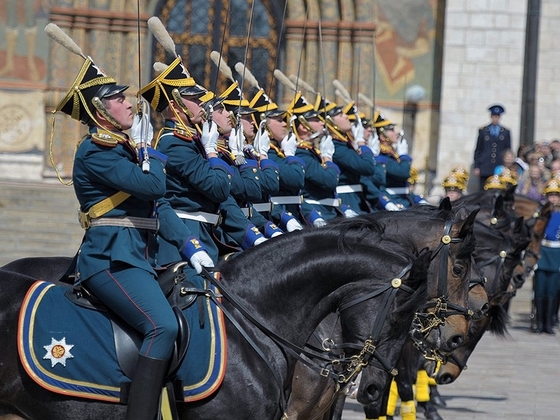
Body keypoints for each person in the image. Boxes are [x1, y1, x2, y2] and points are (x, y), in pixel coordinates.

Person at [54, 56, 214, 419]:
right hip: (111, 260)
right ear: (99, 110)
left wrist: (192, 248)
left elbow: (159, 205)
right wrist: (151, 151)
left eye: (126, 97)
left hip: (143, 258)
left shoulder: (127, 149)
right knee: (163, 325)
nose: (129, 103)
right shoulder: (94, 151)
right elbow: (155, 184)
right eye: (118, 98)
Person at [139, 57, 234, 267]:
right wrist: (211, 151)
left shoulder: (190, 140)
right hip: (188, 235)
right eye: (194, 98)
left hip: (205, 232)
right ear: (176, 105)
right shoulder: (175, 144)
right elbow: (219, 188)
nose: (202, 103)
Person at [288, 92, 341, 226]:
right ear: (303, 126)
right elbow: (330, 180)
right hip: (316, 212)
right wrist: (328, 158)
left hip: (328, 212)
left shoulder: (310, 152)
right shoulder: (302, 154)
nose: (322, 122)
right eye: (316, 120)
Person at [533, 177, 560, 334]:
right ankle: (539, 322)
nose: (553, 199)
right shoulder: (541, 214)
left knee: (552, 290)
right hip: (543, 253)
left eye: (556, 195)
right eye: (551, 195)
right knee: (540, 289)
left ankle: (549, 323)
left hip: (557, 254)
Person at [473, 104, 512, 191]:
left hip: (499, 166)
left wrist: (507, 166)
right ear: (491, 116)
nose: (495, 118)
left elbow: (508, 150)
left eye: (497, 116)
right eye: (494, 116)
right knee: (483, 190)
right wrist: (477, 166)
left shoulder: (505, 132)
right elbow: (478, 149)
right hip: (485, 165)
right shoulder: (483, 131)